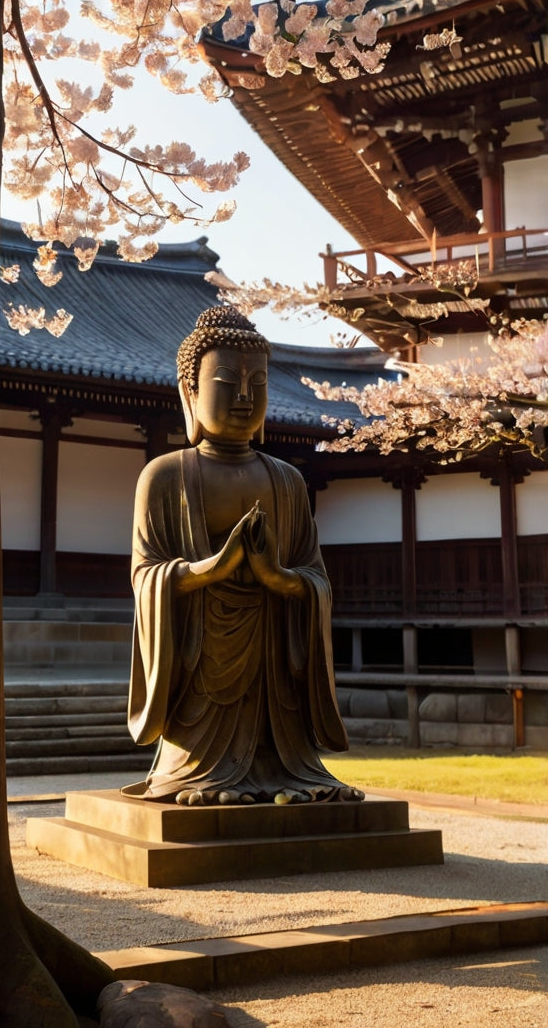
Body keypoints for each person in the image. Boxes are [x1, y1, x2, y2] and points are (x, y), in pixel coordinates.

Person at [125, 306, 363, 806]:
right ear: (190, 393)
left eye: (258, 382)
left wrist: (276, 577)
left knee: (292, 766)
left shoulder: (288, 480)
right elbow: (146, 574)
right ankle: (198, 774)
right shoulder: (165, 476)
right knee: (202, 767)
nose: (244, 396)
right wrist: (212, 569)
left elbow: (315, 577)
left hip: (274, 655)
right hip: (200, 656)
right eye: (227, 381)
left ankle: (282, 771)